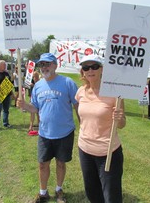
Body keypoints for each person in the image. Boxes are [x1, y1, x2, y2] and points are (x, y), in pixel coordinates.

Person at [17, 53, 79, 203]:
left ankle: (59, 189)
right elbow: (35, 108)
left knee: (60, 163)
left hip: (65, 132)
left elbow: (77, 106)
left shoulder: (68, 82)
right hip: (44, 133)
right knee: (43, 164)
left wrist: (83, 125)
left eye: (47, 64)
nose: (44, 67)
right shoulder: (37, 86)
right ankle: (43, 192)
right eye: (42, 65)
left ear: (55, 65)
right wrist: (25, 105)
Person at [75, 54, 126, 203]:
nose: (90, 70)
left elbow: (122, 124)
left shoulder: (114, 93)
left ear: (101, 69)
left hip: (108, 153)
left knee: (111, 197)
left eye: (94, 66)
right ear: (82, 71)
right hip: (85, 150)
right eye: (86, 67)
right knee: (92, 193)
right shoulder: (80, 92)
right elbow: (82, 117)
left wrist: (119, 118)